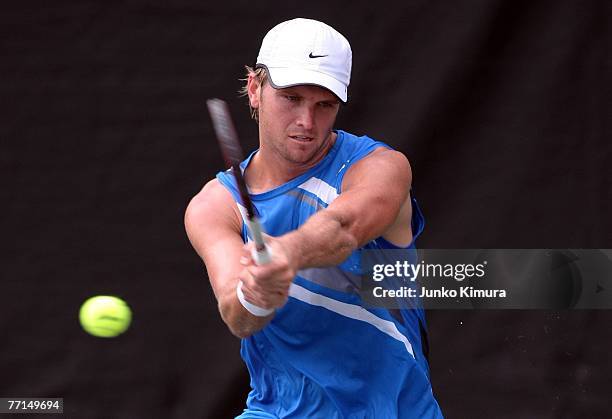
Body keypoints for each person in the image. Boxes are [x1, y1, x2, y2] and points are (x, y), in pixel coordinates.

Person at [185, 18, 443, 419]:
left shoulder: (380, 167)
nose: (307, 122)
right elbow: (237, 316)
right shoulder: (213, 206)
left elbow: (345, 226)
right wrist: (255, 296)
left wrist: (286, 253)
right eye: (291, 98)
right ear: (254, 89)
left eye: (324, 104)